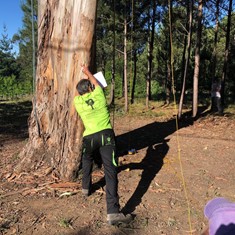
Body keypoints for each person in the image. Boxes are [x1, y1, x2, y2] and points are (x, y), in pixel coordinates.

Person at [74, 64, 132, 225]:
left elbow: (81, 91)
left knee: (86, 160)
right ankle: (113, 213)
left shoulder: (77, 101)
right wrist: (88, 73)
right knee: (110, 171)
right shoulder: (99, 94)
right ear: (92, 88)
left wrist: (84, 81)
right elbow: (97, 84)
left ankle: (85, 188)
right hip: (106, 135)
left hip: (89, 138)